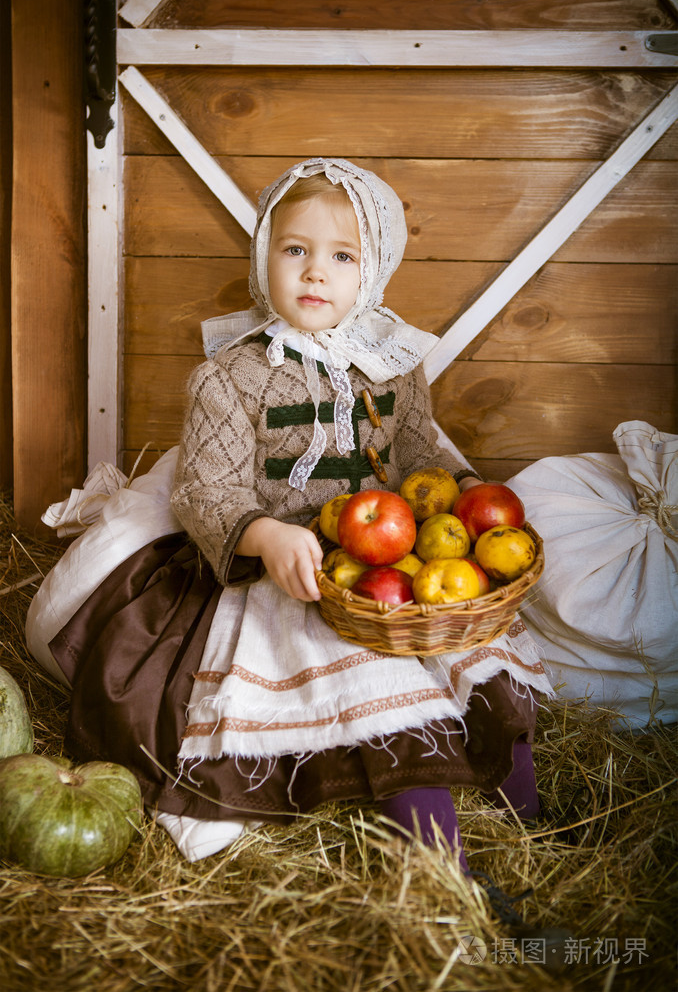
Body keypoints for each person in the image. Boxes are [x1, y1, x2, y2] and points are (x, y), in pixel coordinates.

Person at [45, 158, 552, 868]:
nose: (316, 273)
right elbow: (206, 492)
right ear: (264, 259)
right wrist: (264, 533)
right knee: (377, 687)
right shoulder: (230, 375)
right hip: (291, 571)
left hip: (392, 568)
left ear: (372, 272)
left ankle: (534, 823)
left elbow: (419, 460)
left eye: (342, 256)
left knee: (468, 656)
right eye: (295, 250)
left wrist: (472, 503)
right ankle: (445, 867)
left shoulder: (395, 366)